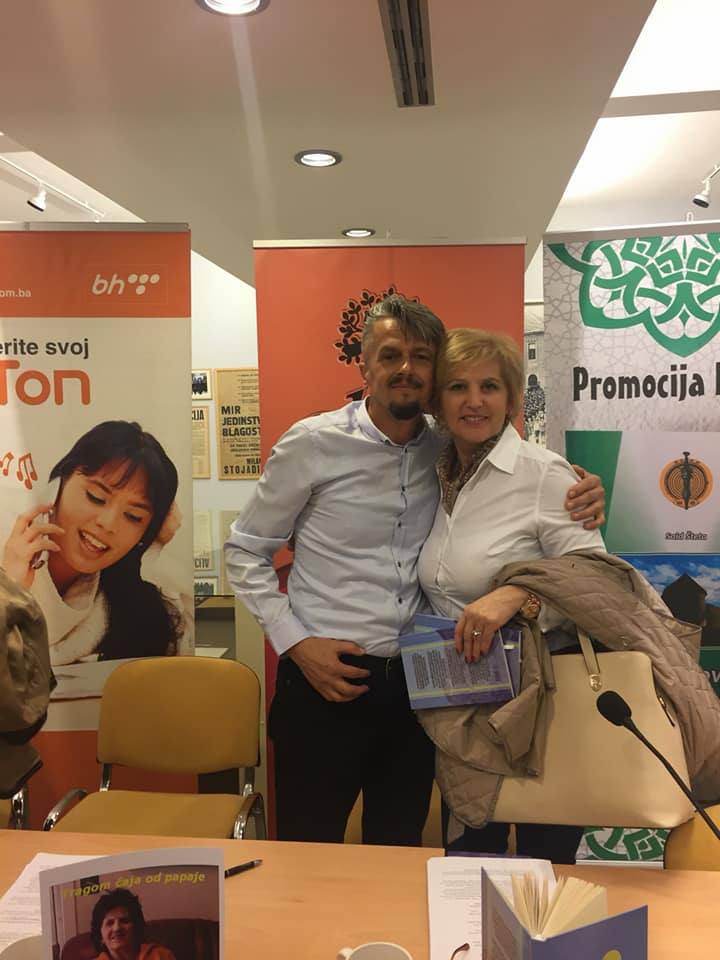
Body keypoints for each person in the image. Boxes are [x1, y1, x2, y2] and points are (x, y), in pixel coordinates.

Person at [224, 295, 605, 845]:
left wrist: (578, 487)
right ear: (364, 366)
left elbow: (547, 512)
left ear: (433, 376)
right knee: (308, 850)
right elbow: (245, 551)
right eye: (390, 355)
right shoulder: (312, 443)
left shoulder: (449, 445)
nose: (405, 368)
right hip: (322, 682)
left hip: (419, 687)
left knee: (400, 848)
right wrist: (296, 644)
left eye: (421, 357)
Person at [417, 328, 605, 862]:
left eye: (490, 386)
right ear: (438, 402)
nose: (474, 401)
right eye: (457, 387)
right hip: (462, 697)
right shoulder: (434, 474)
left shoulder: (544, 475)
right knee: (471, 861)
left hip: (541, 703)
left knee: (546, 866)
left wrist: (519, 596)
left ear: (513, 398)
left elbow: (597, 579)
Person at [1, 420, 189, 665]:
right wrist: (10, 590)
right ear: (57, 485)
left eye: (134, 516)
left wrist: (162, 544)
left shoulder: (126, 605)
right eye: (96, 497)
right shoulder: (8, 560)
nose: (108, 524)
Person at [90, 889, 176, 960]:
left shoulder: (161, 955)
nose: (117, 928)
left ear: (136, 927)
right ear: (100, 936)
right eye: (110, 923)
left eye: (124, 921)